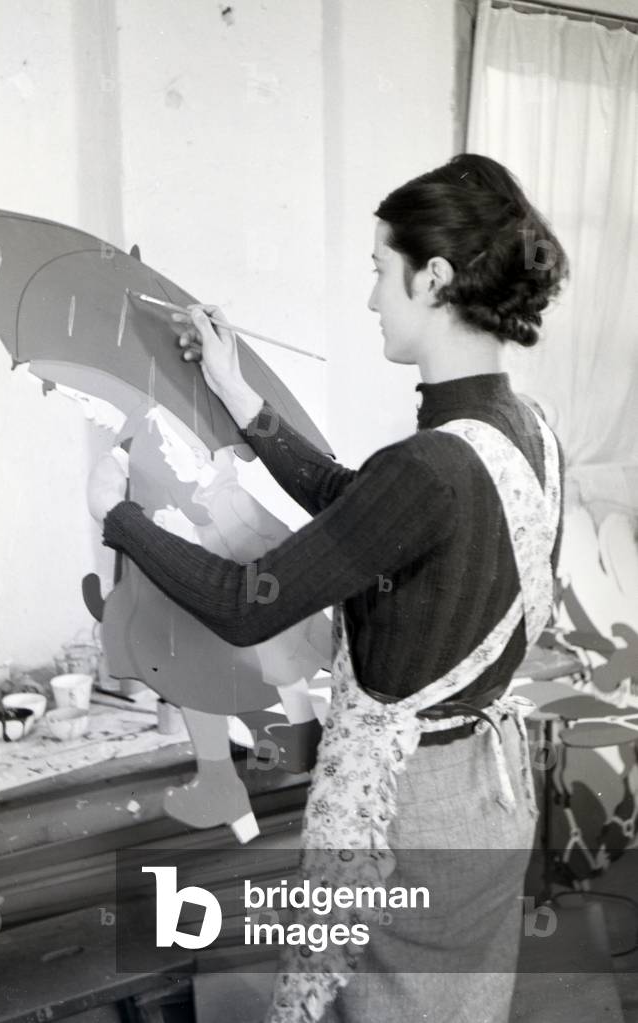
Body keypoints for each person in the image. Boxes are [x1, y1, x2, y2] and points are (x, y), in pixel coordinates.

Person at [89, 152, 568, 1022]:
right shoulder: (523, 433)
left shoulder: (429, 464)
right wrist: (239, 397)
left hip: (406, 812)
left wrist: (121, 521)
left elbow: (248, 603)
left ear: (433, 279)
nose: (370, 298)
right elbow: (365, 508)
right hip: (488, 795)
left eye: (379, 271)